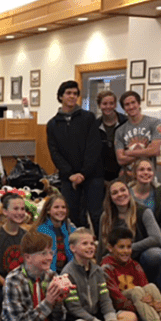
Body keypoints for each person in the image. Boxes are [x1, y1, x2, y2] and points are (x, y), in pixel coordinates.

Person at [62, 228, 138, 321]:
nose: (90, 247)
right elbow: (75, 309)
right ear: (73, 248)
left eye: (92, 243)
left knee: (131, 317)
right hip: (80, 319)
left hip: (97, 315)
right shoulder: (68, 273)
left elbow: (105, 300)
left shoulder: (98, 271)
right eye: (85, 244)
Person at [46, 80, 104, 231]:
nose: (72, 96)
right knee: (72, 216)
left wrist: (83, 174)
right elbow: (54, 152)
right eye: (68, 93)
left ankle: (100, 245)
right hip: (68, 178)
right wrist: (70, 174)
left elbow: (93, 147)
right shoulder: (52, 124)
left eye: (75, 93)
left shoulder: (88, 118)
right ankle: (76, 244)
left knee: (97, 215)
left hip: (92, 175)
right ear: (60, 96)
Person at [99, 179, 161, 282]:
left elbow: (157, 238)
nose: (120, 194)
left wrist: (128, 248)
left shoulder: (143, 212)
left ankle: (148, 283)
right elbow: (102, 245)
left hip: (139, 255)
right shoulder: (105, 216)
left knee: (155, 254)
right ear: (110, 198)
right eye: (115, 193)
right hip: (115, 257)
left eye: (123, 190)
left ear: (129, 192)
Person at [114, 90, 161, 180]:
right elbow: (120, 160)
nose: (131, 107)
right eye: (127, 104)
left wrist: (128, 153)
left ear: (139, 103)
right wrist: (146, 152)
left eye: (133, 102)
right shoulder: (119, 131)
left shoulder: (155, 123)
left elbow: (155, 150)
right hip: (127, 176)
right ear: (124, 108)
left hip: (147, 176)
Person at [128, 158, 161, 250]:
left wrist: (158, 236)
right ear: (134, 173)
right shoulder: (126, 193)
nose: (146, 173)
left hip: (152, 239)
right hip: (130, 239)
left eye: (149, 170)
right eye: (141, 170)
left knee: (155, 255)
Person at [0, 192, 28, 297]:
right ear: (5, 211)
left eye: (22, 209)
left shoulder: (26, 236)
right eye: (15, 209)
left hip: (23, 283)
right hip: (3, 286)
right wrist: (10, 286)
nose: (20, 212)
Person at [35, 194, 75, 274]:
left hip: (69, 273)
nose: (60, 210)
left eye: (63, 207)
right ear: (48, 210)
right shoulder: (41, 231)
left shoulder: (71, 230)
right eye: (56, 207)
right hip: (47, 274)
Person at [95, 90, 127, 182]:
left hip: (123, 172)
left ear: (115, 105)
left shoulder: (126, 122)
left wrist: (125, 169)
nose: (108, 106)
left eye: (111, 103)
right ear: (99, 105)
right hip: (101, 175)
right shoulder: (95, 125)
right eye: (104, 104)